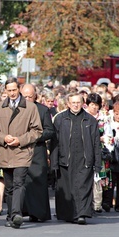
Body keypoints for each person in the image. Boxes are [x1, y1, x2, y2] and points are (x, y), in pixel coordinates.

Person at [0, 78, 42, 229]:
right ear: (5, 91)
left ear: (19, 89)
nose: (11, 93)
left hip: (22, 151)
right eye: (9, 90)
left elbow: (37, 130)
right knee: (10, 186)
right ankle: (11, 214)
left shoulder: (30, 108)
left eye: (14, 90)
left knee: (19, 182)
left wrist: (20, 140)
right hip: (5, 151)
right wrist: (3, 138)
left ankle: (17, 214)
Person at [50, 92, 101, 225]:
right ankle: (69, 214)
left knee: (83, 188)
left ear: (83, 103)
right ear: (68, 104)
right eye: (73, 103)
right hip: (65, 159)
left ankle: (82, 214)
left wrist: (97, 163)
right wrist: (53, 163)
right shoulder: (60, 119)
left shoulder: (90, 120)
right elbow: (54, 143)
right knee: (68, 189)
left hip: (84, 159)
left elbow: (96, 143)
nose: (76, 105)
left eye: (78, 102)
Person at [20, 84, 54, 222]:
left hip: (37, 151)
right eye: (25, 96)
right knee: (21, 183)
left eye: (30, 96)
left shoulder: (43, 110)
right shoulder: (14, 109)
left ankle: (39, 213)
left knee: (38, 182)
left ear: (35, 96)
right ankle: (22, 211)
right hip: (20, 151)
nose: (27, 99)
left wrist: (34, 136)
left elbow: (49, 131)